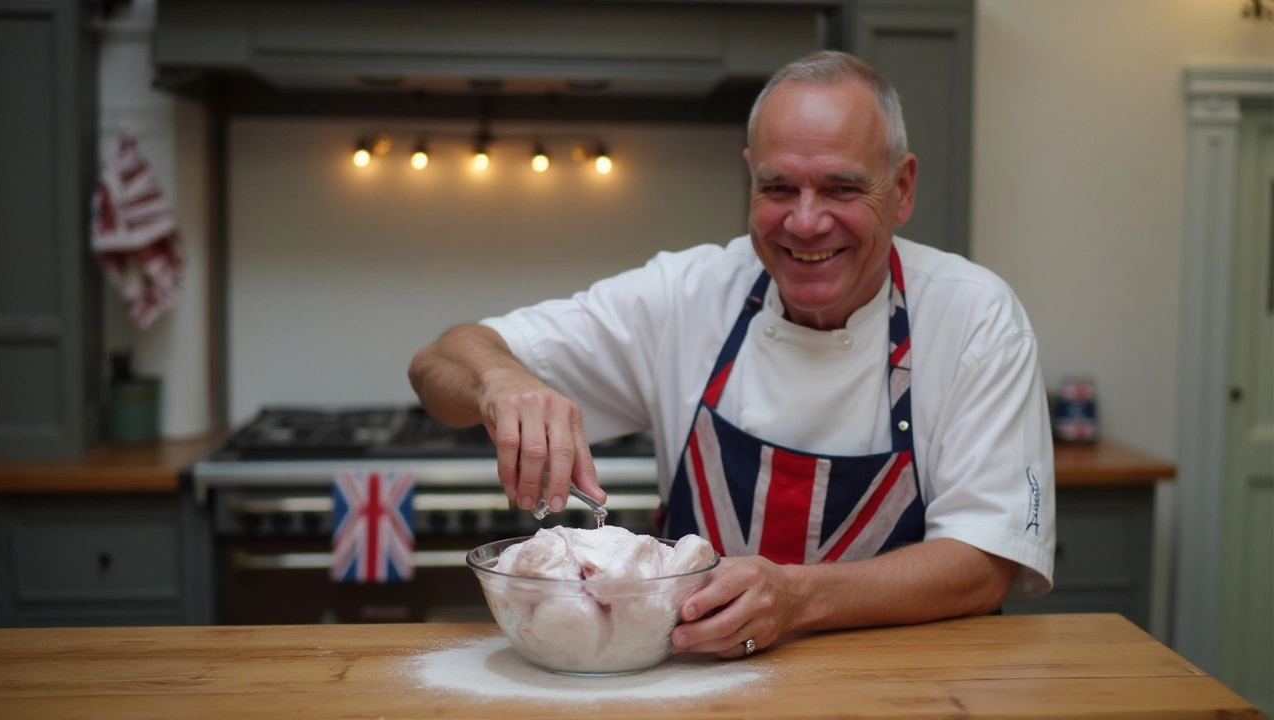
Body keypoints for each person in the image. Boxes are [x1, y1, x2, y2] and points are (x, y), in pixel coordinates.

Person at [409, 50, 1055, 660]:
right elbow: (436, 365)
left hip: (908, 693)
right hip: (701, 690)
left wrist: (798, 598)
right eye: (778, 188)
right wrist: (501, 380)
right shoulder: (685, 298)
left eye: (840, 189)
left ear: (903, 187)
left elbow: (985, 564)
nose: (805, 222)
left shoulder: (975, 319)